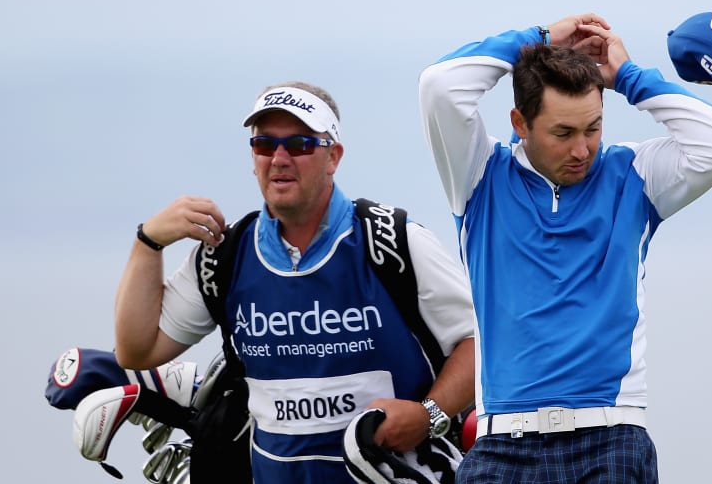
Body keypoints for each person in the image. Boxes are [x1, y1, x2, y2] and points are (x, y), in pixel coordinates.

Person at [418, 14, 712, 483]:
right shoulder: (478, 175)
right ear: (521, 123)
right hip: (502, 448)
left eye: (592, 128)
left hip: (610, 441)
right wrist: (537, 38)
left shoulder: (634, 173)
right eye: (563, 133)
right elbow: (439, 85)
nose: (582, 150)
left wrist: (630, 78)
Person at [114, 81, 476, 483]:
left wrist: (429, 416)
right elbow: (137, 350)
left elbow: (480, 343)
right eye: (265, 145)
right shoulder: (224, 256)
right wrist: (148, 242)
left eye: (301, 144)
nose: (280, 158)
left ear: (333, 156)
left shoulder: (393, 240)